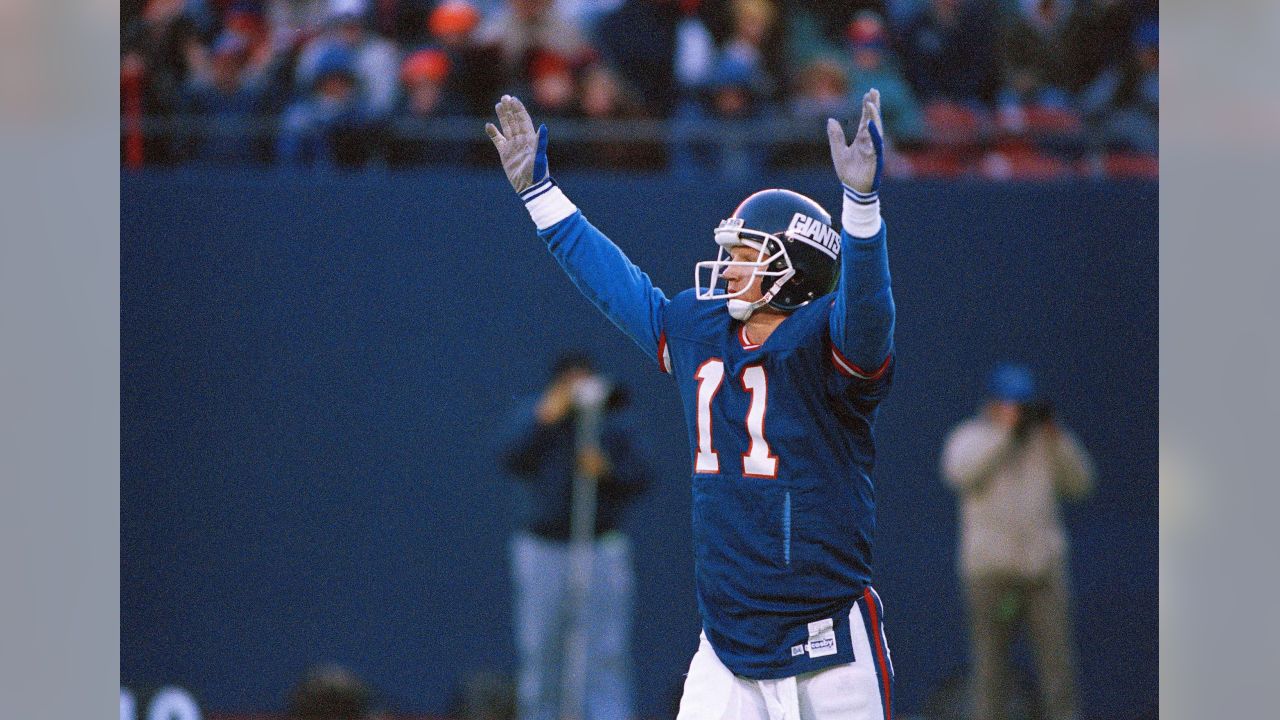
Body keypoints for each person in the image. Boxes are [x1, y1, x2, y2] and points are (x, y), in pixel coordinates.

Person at [486, 87, 898, 719]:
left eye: (745, 254)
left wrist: (862, 211)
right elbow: (614, 284)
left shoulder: (827, 341)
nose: (728, 267)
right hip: (729, 639)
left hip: (826, 640)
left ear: (794, 269)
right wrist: (542, 198)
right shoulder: (700, 328)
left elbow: (868, 312)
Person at [499, 352, 652, 720]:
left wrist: (608, 471)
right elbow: (509, 455)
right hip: (544, 548)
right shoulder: (539, 416)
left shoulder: (612, 424)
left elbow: (642, 476)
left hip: (600, 547)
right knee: (540, 651)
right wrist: (545, 416)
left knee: (605, 652)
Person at [940, 363, 1095, 720]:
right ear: (993, 404)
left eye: (1023, 405)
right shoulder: (972, 436)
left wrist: (1057, 438)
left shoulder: (1044, 441)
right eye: (1010, 404)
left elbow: (1081, 483)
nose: (1018, 412)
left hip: (1042, 572)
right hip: (992, 575)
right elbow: (959, 472)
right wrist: (1005, 436)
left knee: (1058, 671)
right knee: (990, 670)